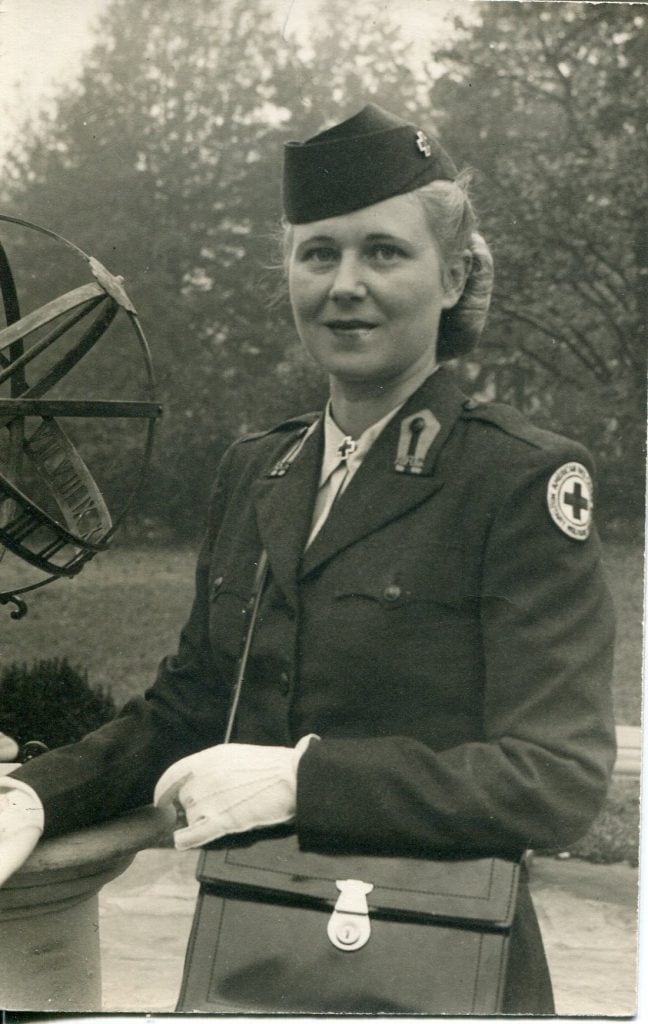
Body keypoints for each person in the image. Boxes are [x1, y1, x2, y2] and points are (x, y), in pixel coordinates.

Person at [0, 103, 616, 1013]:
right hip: (253, 954)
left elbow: (554, 778)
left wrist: (303, 777)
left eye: (384, 252)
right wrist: (40, 795)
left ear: (451, 278)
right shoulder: (260, 469)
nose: (345, 284)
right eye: (318, 253)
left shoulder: (518, 479)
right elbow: (191, 703)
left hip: (439, 966)